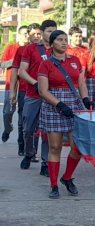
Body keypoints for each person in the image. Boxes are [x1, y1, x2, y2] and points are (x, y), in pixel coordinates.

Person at [38, 30, 91, 199]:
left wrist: (86, 99)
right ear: (52, 43)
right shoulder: (45, 64)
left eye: (65, 40)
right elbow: (42, 91)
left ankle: (67, 177)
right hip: (54, 106)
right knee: (55, 147)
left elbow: (81, 83)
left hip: (74, 105)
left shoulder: (75, 60)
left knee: (78, 147)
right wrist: (60, 104)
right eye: (59, 40)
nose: (63, 42)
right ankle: (54, 185)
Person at [18, 20, 57, 176]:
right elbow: (22, 71)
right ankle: (29, 152)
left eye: (54, 31)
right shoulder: (31, 49)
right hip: (32, 94)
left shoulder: (57, 50)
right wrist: (35, 83)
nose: (52, 34)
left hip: (51, 96)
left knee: (48, 131)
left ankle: (46, 163)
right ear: (42, 32)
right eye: (49, 31)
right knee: (28, 128)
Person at [9, 23, 42, 156]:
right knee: (24, 121)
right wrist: (12, 91)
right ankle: (22, 144)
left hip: (41, 91)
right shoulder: (22, 50)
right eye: (33, 34)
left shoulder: (46, 50)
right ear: (28, 35)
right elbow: (15, 71)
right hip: (24, 90)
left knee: (38, 123)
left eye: (38, 34)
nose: (36, 37)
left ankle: (32, 151)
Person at [1, 26, 29, 143]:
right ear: (19, 35)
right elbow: (3, 64)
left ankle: (21, 141)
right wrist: (16, 60)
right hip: (10, 84)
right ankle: (8, 129)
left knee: (22, 114)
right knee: (7, 112)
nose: (26, 36)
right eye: (24, 34)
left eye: (28, 34)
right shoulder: (11, 47)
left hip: (25, 85)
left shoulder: (31, 48)